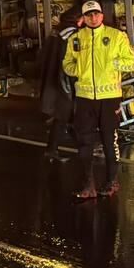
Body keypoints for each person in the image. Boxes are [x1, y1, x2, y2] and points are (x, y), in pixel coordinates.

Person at [63, 0, 134, 200]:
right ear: (84, 18)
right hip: (85, 98)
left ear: (102, 15)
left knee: (109, 140)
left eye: (96, 14)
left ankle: (111, 181)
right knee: (84, 142)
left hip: (109, 98)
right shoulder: (76, 39)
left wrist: (112, 64)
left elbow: (132, 63)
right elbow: (67, 64)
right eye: (89, 15)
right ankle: (88, 185)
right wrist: (78, 70)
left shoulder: (116, 36)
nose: (93, 18)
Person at [39, 8, 81, 161]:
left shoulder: (56, 32)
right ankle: (56, 149)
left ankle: (55, 149)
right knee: (67, 115)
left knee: (63, 116)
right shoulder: (72, 35)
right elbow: (70, 60)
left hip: (54, 77)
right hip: (64, 81)